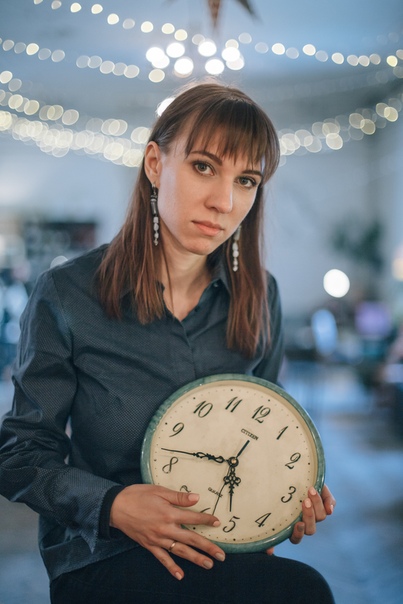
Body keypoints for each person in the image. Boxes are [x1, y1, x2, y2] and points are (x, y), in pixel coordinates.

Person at [0, 81, 336, 603]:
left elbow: (268, 434)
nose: (224, 201)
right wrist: (113, 506)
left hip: (221, 545)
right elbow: (21, 453)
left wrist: (283, 500)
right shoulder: (67, 293)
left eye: (246, 180)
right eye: (204, 166)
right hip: (105, 551)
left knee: (304, 591)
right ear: (155, 164)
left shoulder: (259, 294)